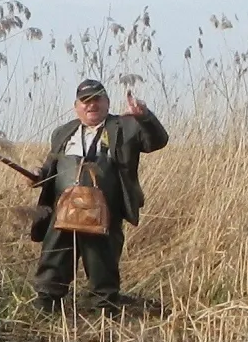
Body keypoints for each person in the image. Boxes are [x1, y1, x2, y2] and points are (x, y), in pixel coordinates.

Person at [28, 79, 168, 313]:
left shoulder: (126, 126)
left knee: (102, 260)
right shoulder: (63, 132)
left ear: (107, 102)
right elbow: (51, 165)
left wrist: (144, 117)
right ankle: (47, 304)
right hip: (64, 208)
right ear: (76, 106)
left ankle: (104, 309)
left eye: (97, 100)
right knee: (55, 256)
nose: (91, 105)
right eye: (85, 101)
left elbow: (157, 141)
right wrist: (37, 174)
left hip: (105, 208)